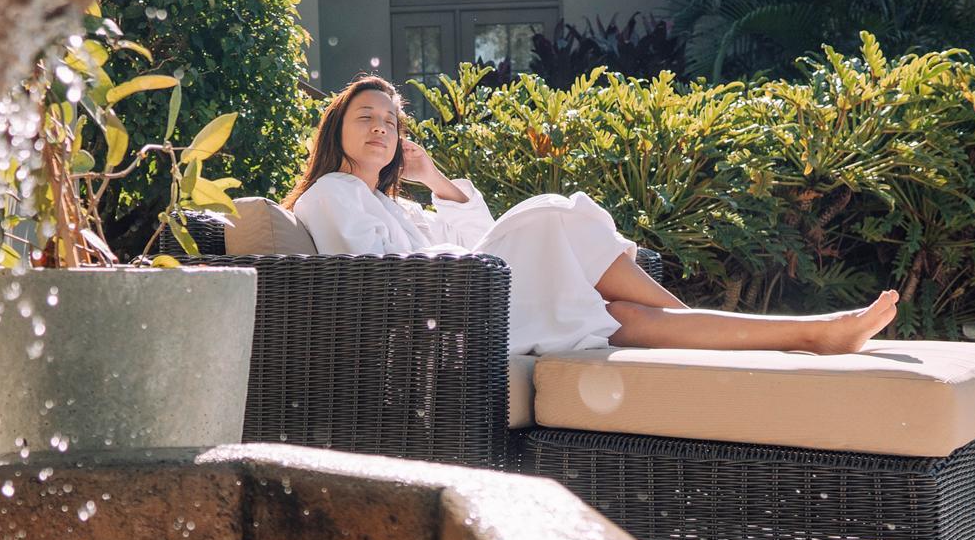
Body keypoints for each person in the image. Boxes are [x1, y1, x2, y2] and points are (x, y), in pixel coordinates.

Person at [283, 75, 898, 356]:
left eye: (390, 123)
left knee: (622, 315)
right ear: (335, 128)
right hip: (445, 317)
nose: (381, 128)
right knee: (553, 212)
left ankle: (815, 333)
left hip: (477, 295)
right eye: (365, 117)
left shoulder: (397, 202)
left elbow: (472, 232)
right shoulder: (331, 194)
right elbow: (378, 275)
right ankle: (638, 278)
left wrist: (434, 178)